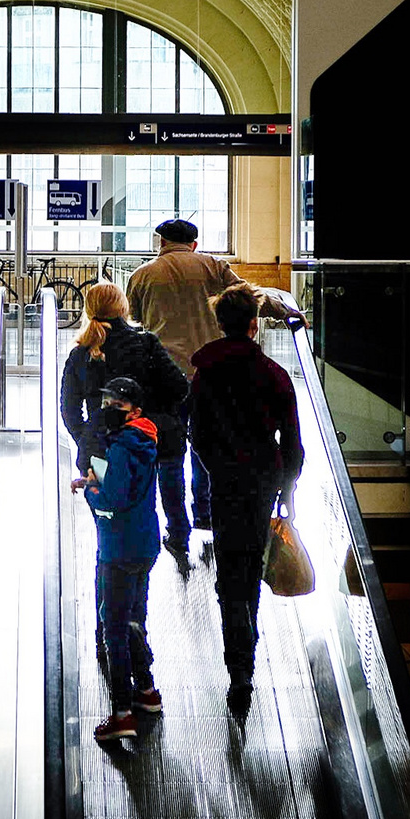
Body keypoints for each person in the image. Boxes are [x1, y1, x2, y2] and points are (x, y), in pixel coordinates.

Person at [127, 218, 305, 544]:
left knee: (169, 455)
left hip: (163, 378)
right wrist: (284, 310)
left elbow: (135, 321)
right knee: (206, 443)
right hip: (209, 374)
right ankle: (205, 515)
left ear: (161, 243)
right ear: (194, 244)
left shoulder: (142, 276)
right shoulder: (213, 267)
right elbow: (248, 298)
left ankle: (176, 527)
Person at [188, 282, 304, 715]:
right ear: (254, 326)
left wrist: (216, 466)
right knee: (252, 564)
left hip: (225, 484)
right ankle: (247, 651)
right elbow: (292, 443)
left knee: (230, 569)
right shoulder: (273, 375)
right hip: (263, 483)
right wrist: (287, 489)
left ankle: (236, 659)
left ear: (220, 324)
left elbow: (196, 434)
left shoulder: (205, 374)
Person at [59, 282, 189, 563]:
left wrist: (89, 439)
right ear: (123, 308)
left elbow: (69, 410)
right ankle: (138, 586)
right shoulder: (145, 343)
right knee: (139, 519)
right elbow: (179, 387)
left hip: (99, 455)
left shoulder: (80, 354)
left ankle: (110, 591)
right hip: (139, 448)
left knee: (108, 532)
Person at [71, 376, 164, 743]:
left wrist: (92, 491)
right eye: (106, 402)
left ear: (135, 410)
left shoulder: (124, 446)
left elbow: (114, 499)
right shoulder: (144, 439)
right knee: (131, 621)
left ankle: (122, 713)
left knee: (114, 626)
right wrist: (96, 482)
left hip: (120, 547)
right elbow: (128, 486)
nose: (108, 410)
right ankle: (146, 690)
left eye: (117, 405)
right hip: (145, 544)